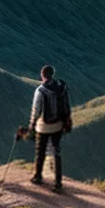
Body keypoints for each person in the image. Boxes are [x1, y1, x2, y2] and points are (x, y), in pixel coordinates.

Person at [19, 64, 72, 192]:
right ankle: (58, 183)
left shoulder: (40, 90)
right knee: (56, 153)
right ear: (52, 74)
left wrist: (31, 127)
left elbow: (36, 112)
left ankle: (38, 177)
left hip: (43, 127)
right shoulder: (61, 87)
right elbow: (66, 106)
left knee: (40, 152)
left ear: (42, 75)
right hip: (58, 125)